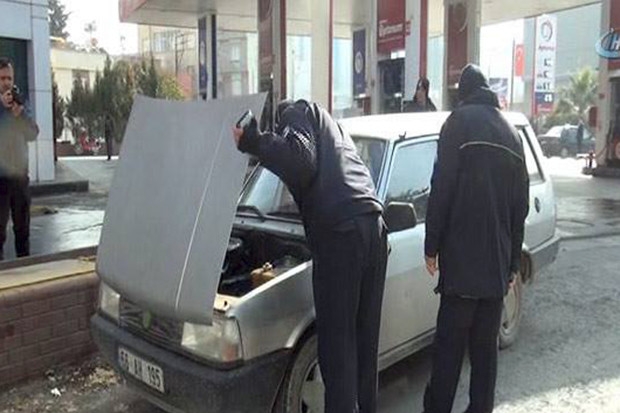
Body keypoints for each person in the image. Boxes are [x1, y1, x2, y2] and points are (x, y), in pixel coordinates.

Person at [232, 99, 388, 413]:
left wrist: (254, 141)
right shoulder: (335, 132)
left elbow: (300, 162)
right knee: (364, 343)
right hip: (374, 228)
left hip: (341, 235)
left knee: (337, 349)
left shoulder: (297, 112)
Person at [422, 64, 529, 413]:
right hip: (495, 270)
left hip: (461, 268)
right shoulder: (512, 134)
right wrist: (512, 264)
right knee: (485, 355)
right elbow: (519, 208)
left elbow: (441, 188)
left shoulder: (457, 123)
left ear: (463, 93)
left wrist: (431, 245)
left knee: (448, 354)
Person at [0, 57, 39, 261]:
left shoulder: (21, 103)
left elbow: (33, 133)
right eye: (2, 78)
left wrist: (20, 115)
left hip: (19, 176)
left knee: (23, 230)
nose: (6, 83)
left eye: (9, 78)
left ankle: (26, 269)